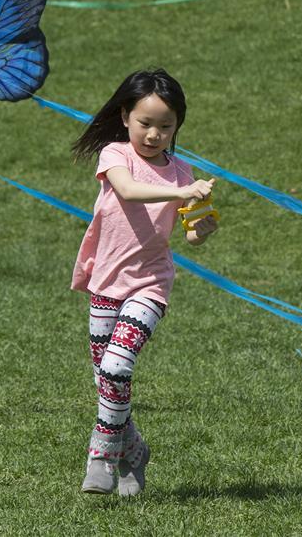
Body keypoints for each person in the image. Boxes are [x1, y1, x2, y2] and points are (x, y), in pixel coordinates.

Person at [71, 69, 218, 496]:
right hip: (106, 281)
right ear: (124, 117)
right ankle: (135, 450)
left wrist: (202, 228)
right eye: (145, 124)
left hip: (150, 285)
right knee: (107, 380)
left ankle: (101, 457)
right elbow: (130, 191)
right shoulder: (116, 156)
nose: (154, 134)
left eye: (166, 126)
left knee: (117, 366)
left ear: (178, 126)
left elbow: (190, 232)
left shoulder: (183, 173)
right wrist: (182, 193)